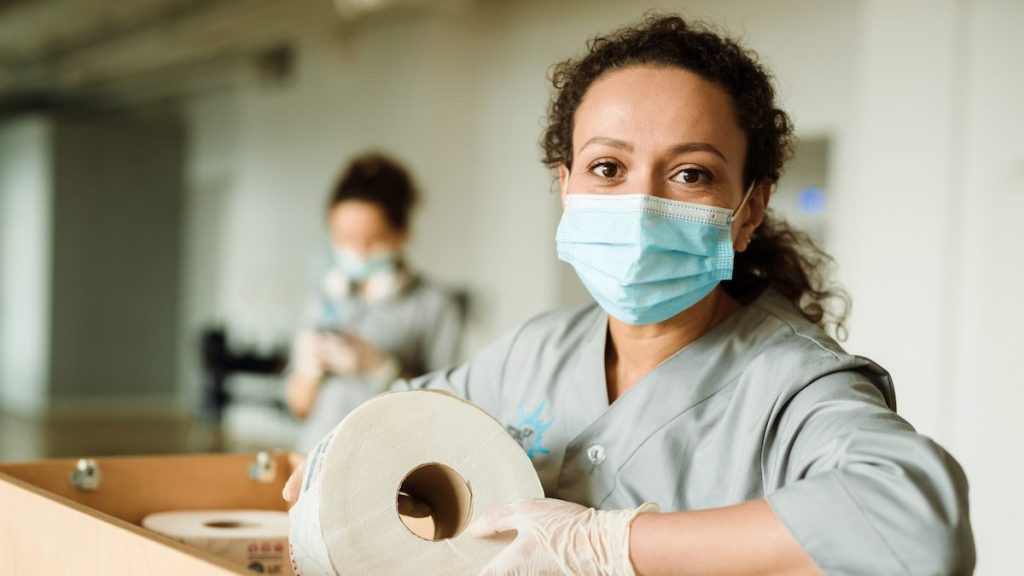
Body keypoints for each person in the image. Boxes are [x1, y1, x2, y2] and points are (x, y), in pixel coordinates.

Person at [285, 16, 975, 575]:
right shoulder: (539, 351)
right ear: (567, 188)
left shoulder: (791, 386)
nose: (640, 204)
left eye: (690, 175)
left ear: (751, 209)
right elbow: (392, 430)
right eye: (608, 167)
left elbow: (916, 531)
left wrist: (607, 544)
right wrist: (337, 474)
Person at [285, 153, 463, 451]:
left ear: (402, 232)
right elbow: (298, 407)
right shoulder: (325, 296)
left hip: (387, 460)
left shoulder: (434, 304)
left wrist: (383, 370)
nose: (356, 250)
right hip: (314, 455)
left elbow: (446, 411)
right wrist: (307, 372)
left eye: (371, 239)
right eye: (344, 237)